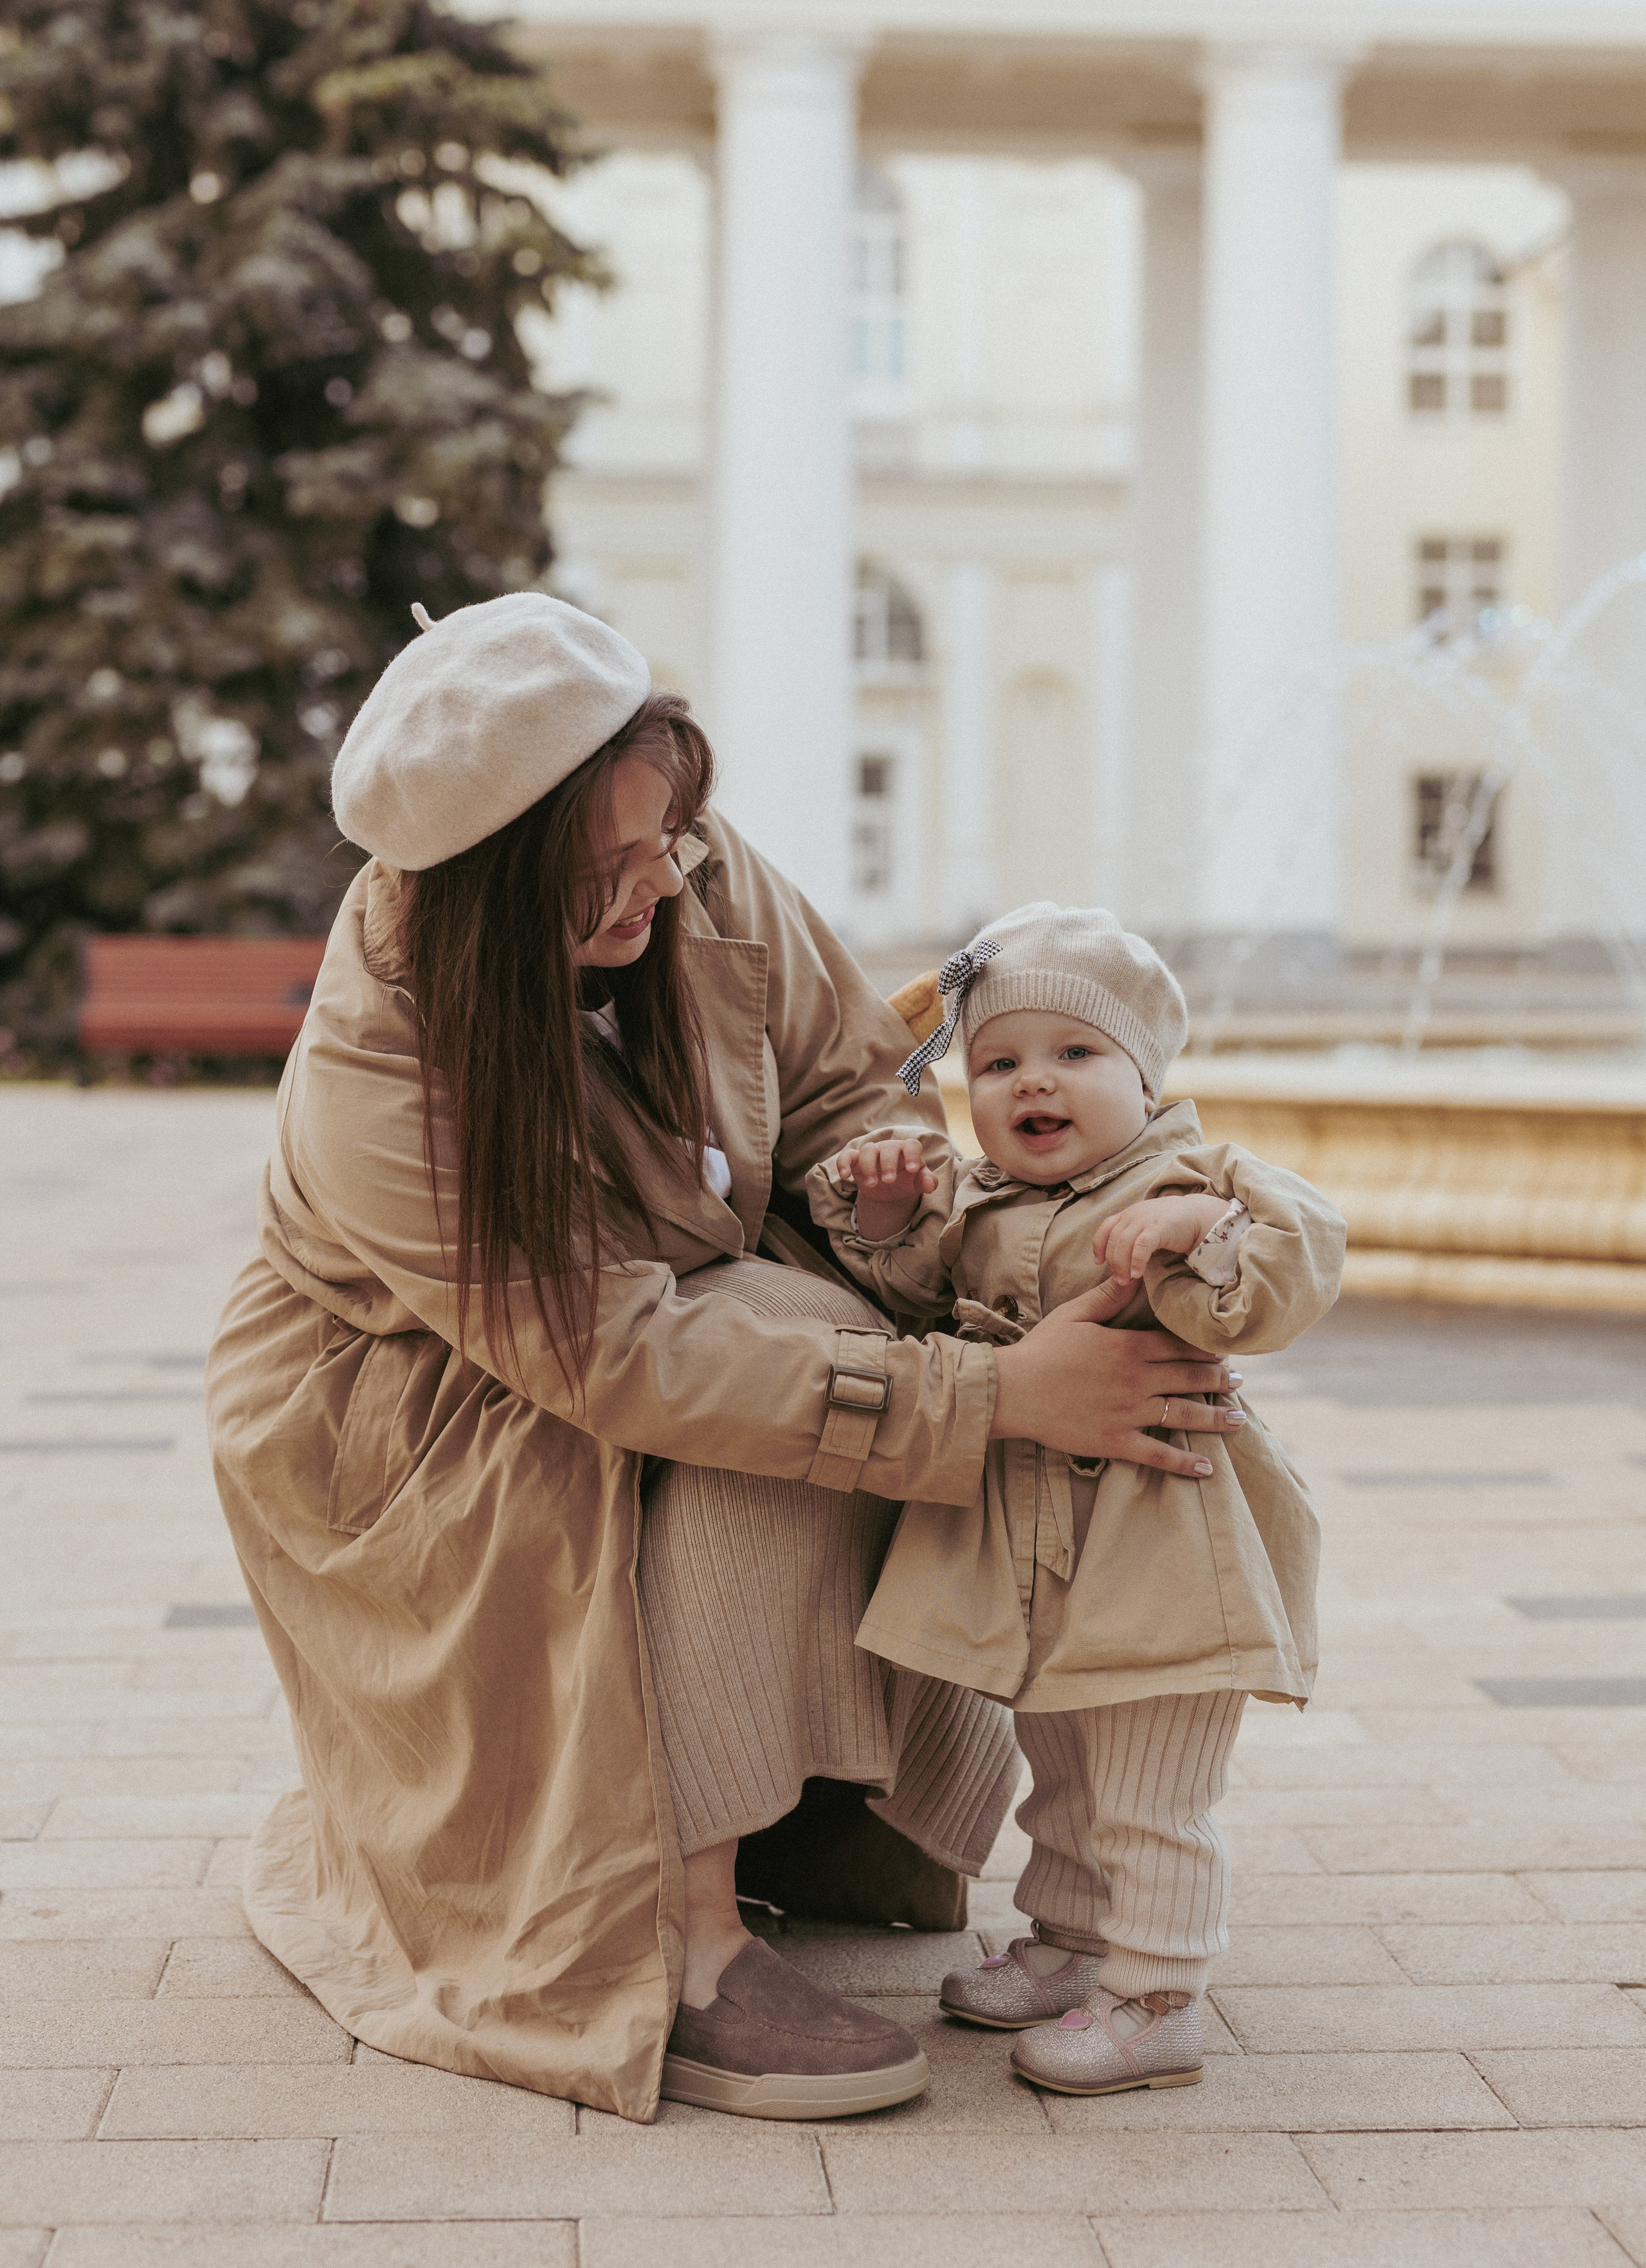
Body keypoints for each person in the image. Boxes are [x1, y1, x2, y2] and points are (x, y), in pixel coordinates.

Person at [206, 598, 1250, 2124]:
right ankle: (676, 1943)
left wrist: (876, 1191)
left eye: (670, 837)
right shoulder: (382, 1066)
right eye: (609, 870)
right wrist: (989, 1396)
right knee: (813, 1354)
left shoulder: (685, 862)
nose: (661, 885)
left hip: (678, 1333)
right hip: (401, 1422)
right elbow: (617, 1353)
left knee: (848, 1337)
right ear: (494, 894)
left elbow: (835, 1089)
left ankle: (812, 1829)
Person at [809, 902, 1346, 2097]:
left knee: (1152, 1786)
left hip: (1166, 1537)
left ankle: (1157, 1994)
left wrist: (1202, 1225)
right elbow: (913, 1300)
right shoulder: (985, 1203)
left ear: (1147, 1078)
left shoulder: (1194, 1177)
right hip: (1038, 1548)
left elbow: (1292, 1263)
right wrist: (892, 1214)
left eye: (1075, 1054)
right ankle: (1074, 1940)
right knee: (1066, 1765)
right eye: (997, 1062)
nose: (1030, 1083)